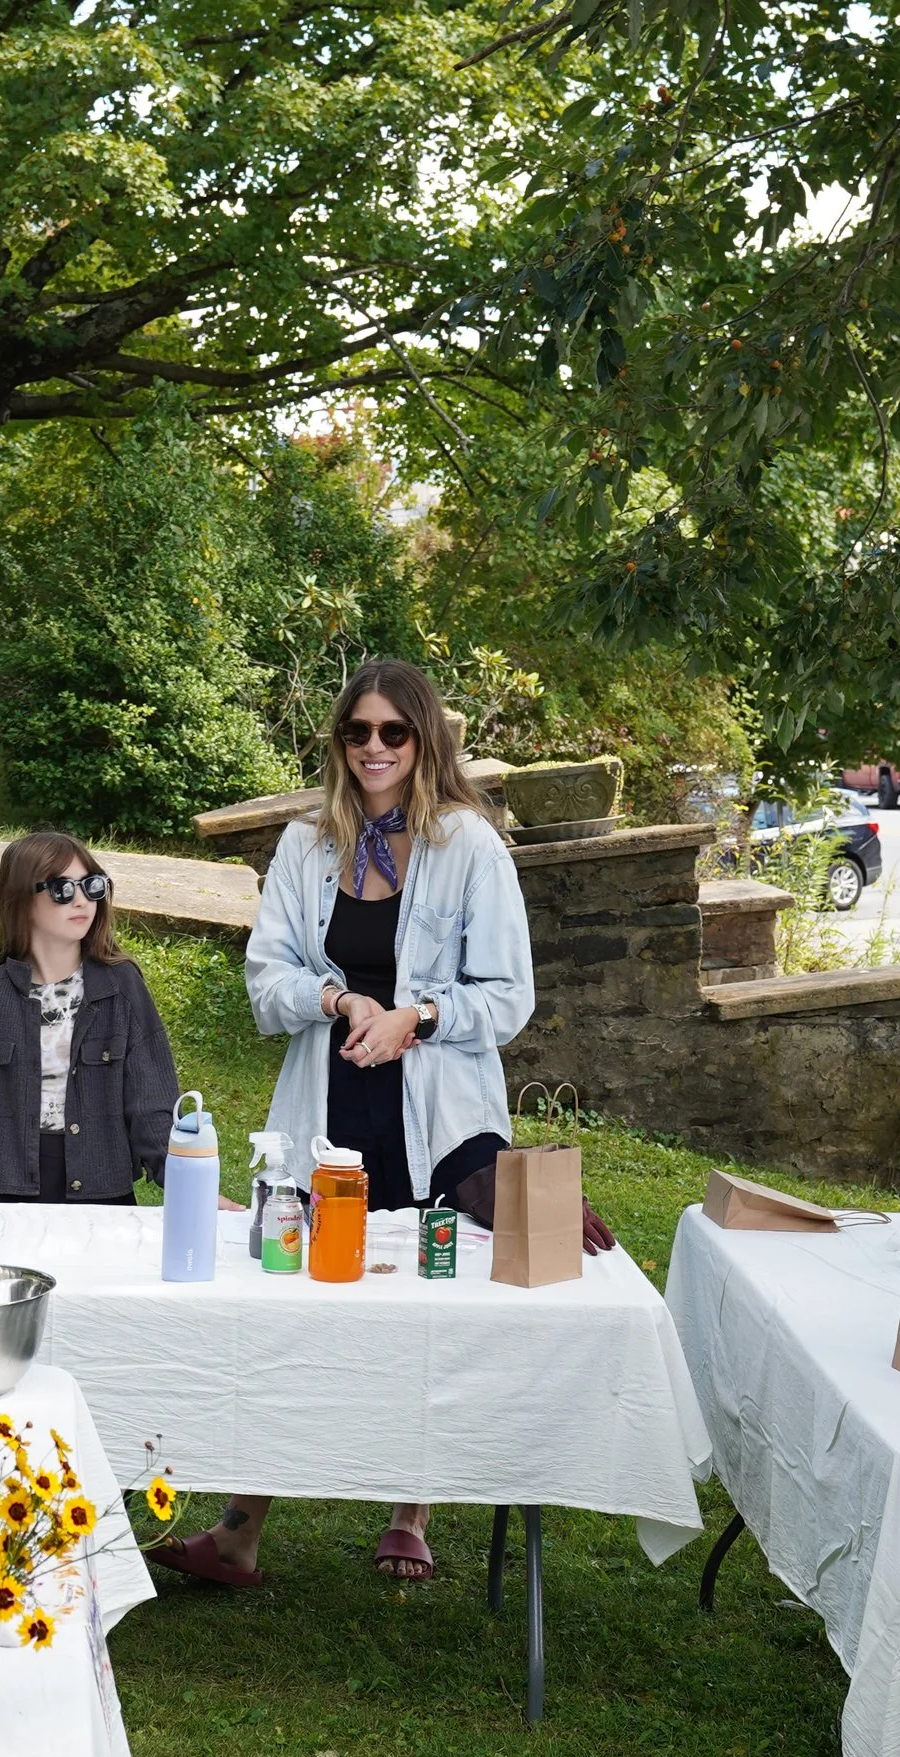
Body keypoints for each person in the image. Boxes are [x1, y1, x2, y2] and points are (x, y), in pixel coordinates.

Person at [151, 657, 607, 1592]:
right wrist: (334, 999)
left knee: (425, 1311)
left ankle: (411, 1509)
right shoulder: (306, 845)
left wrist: (418, 1016)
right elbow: (265, 979)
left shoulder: (471, 848)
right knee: (297, 1305)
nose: (373, 749)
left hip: (436, 1109)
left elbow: (508, 998)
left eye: (392, 733)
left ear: (424, 739)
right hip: (331, 1101)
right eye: (357, 732)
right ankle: (241, 1531)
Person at [0, 831, 180, 1205]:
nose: (82, 899)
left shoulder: (122, 988)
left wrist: (189, 1186)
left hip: (101, 1198)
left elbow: (152, 1105)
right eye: (62, 888)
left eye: (91, 885)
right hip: (0, 1198)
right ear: (20, 900)